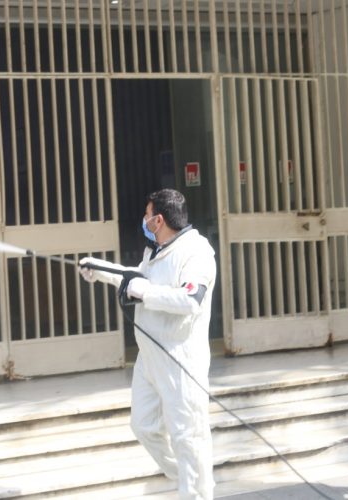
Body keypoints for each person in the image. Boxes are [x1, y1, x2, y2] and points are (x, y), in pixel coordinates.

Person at [78, 188, 216, 500]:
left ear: (159, 220)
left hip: (180, 359)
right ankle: (190, 476)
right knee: (144, 426)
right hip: (149, 357)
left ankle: (196, 491)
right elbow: (137, 278)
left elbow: (190, 299)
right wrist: (100, 269)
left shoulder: (196, 252)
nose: (144, 219)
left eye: (147, 214)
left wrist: (144, 291)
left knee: (188, 436)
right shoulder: (155, 251)